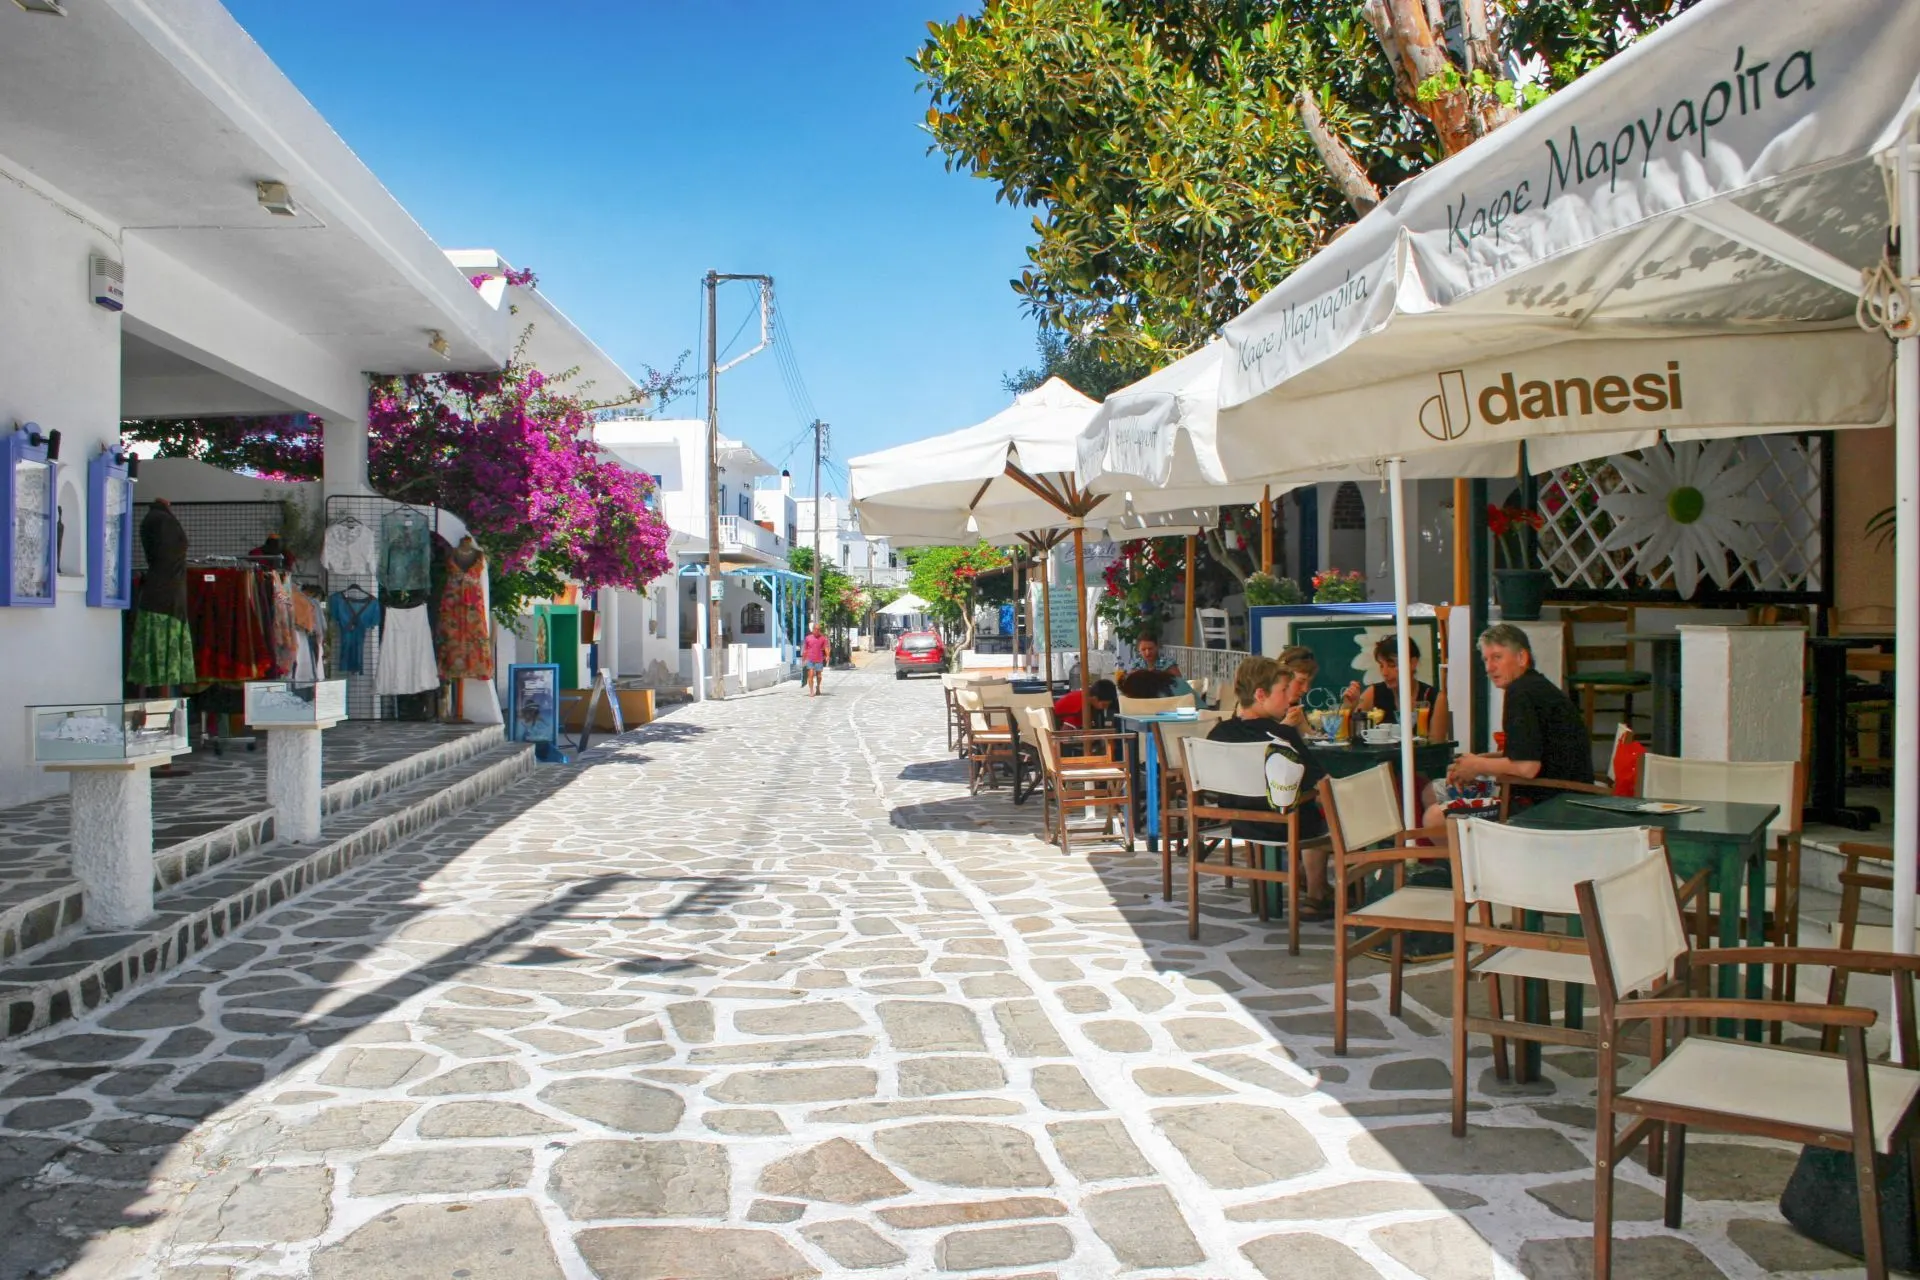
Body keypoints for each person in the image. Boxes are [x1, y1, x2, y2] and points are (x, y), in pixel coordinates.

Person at [1204, 652, 1332, 919]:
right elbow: (1317, 781)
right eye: (1283, 690)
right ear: (1261, 694)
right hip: (1284, 824)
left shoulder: (1218, 733)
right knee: (1326, 806)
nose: (1288, 697)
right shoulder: (1282, 735)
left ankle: (1308, 884)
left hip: (1239, 821)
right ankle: (1319, 892)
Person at [1425, 623, 1592, 823]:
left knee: (1435, 818)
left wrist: (1477, 765)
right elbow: (1525, 752)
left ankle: (1479, 845)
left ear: (1522, 657)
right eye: (1486, 659)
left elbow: (1527, 767)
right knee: (1432, 792)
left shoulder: (1521, 692)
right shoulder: (1532, 686)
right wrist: (1470, 763)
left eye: (1497, 657)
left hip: (1548, 804)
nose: (1489, 668)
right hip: (1543, 792)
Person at [1343, 635, 1439, 725]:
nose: (1384, 673)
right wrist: (1349, 708)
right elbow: (1352, 732)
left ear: (1413, 663)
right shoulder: (1374, 692)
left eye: (1392, 665)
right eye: (1381, 666)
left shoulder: (1434, 697)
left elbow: (1436, 737)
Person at [1053, 678, 1117, 730]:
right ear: (1094, 698)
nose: (1105, 708)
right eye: (1104, 705)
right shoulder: (1081, 706)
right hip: (1056, 724)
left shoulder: (1086, 696)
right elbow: (1066, 733)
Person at [800, 623, 829, 696]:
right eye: (815, 629)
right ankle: (811, 691)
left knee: (819, 676)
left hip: (819, 659)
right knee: (811, 674)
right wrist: (803, 659)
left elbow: (826, 648)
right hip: (810, 659)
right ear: (813, 630)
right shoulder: (808, 638)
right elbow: (805, 649)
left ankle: (818, 687)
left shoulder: (823, 638)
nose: (817, 631)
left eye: (818, 629)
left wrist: (828, 655)